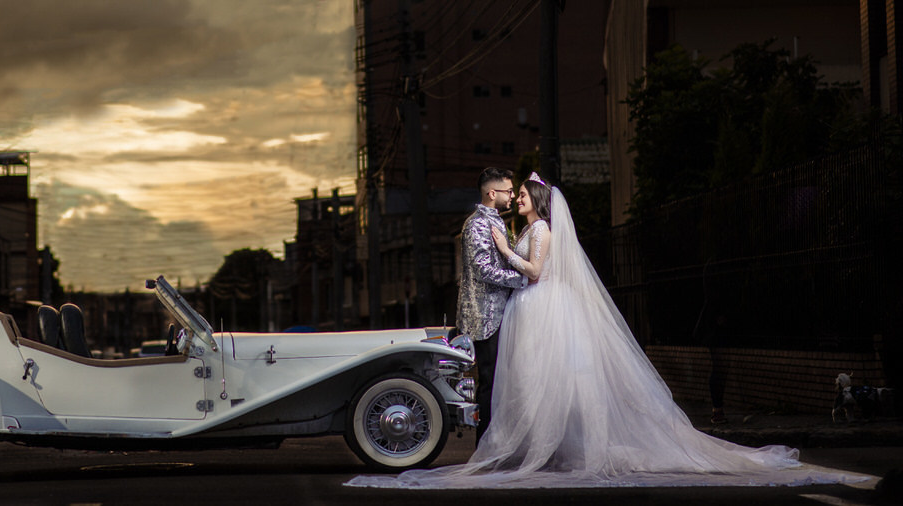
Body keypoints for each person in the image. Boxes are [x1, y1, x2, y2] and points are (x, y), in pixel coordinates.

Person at [348, 174, 868, 489]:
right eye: (517, 194)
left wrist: (507, 252)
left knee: (548, 381)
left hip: (540, 304)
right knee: (531, 384)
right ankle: (536, 445)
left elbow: (536, 272)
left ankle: (541, 448)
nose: (519, 199)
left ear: (537, 201)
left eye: (524, 194)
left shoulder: (542, 230)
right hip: (528, 311)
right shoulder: (525, 227)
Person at [455, 168, 526, 443]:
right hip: (485, 317)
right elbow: (484, 270)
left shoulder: (495, 221)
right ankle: (484, 447)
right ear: (491, 193)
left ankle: (497, 444)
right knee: (489, 382)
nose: (512, 196)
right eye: (509, 191)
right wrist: (522, 279)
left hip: (499, 313)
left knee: (499, 382)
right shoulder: (477, 225)